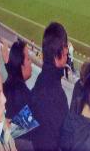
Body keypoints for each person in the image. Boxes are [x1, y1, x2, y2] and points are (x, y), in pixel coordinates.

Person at [28, 22, 71, 151]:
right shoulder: (58, 97)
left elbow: (19, 127)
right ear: (61, 51)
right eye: (65, 46)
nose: (67, 50)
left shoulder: (39, 82)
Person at [2, 40, 32, 120]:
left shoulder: (4, 86)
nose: (31, 62)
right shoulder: (27, 98)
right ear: (22, 66)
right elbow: (26, 130)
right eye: (28, 59)